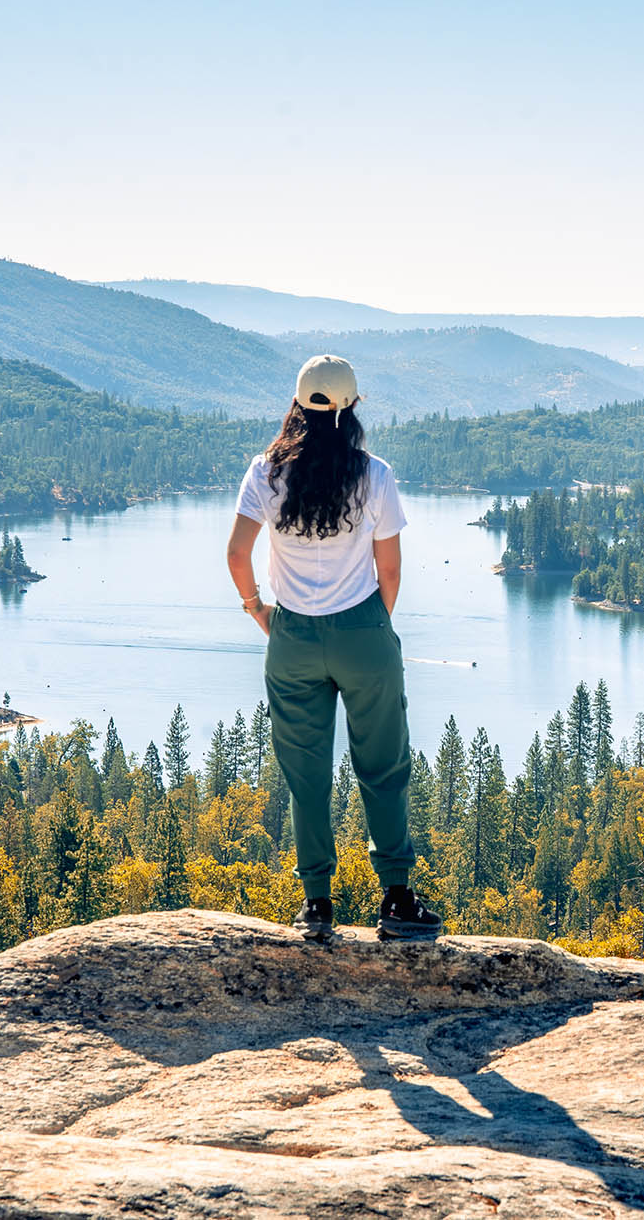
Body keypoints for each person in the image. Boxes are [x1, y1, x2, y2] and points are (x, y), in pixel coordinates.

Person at [226, 354, 443, 943]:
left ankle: (316, 905)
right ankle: (396, 899)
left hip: (291, 637)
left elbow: (237, 556)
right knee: (384, 767)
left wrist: (259, 611)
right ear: (352, 408)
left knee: (307, 774)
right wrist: (371, 629)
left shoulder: (266, 473)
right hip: (363, 634)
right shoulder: (375, 474)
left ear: (297, 405)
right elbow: (389, 572)